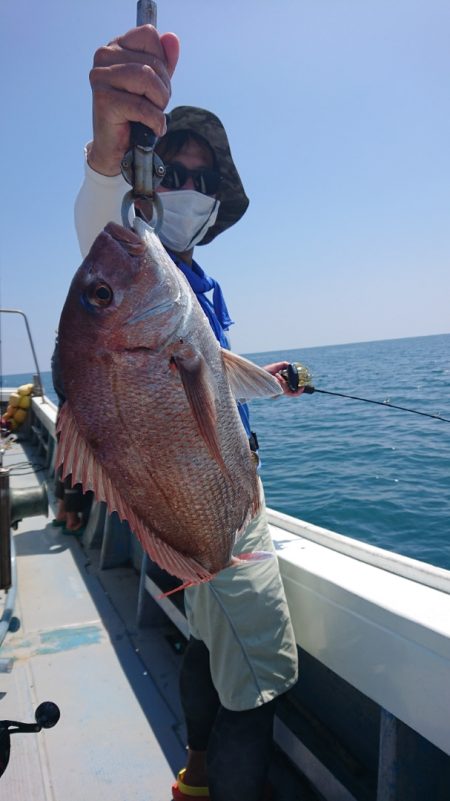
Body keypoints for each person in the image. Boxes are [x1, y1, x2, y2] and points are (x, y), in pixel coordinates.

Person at [73, 25, 301, 801]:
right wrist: (106, 160)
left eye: (204, 180)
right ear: (148, 178)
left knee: (210, 647)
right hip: (214, 507)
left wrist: (267, 382)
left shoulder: (187, 280)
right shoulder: (136, 261)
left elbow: (206, 375)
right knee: (260, 686)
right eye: (173, 169)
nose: (188, 188)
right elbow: (102, 236)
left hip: (202, 486)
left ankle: (194, 778)